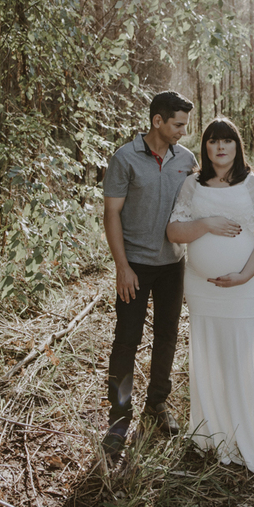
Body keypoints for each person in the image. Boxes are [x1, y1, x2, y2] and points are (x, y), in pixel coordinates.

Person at [167, 117, 254, 473]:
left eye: (227, 140)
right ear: (206, 147)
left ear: (237, 145)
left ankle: (242, 437)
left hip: (243, 288)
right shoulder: (192, 185)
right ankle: (208, 436)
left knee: (237, 354)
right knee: (207, 353)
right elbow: (173, 231)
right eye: (213, 141)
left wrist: (244, 275)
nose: (220, 147)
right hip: (201, 289)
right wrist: (207, 224)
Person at [101, 91, 196, 455]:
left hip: (173, 264)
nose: (182, 132)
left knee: (167, 337)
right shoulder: (125, 159)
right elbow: (111, 215)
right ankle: (119, 416)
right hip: (135, 267)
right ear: (157, 121)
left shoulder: (185, 159)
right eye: (177, 125)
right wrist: (121, 267)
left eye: (185, 125)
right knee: (126, 340)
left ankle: (156, 403)